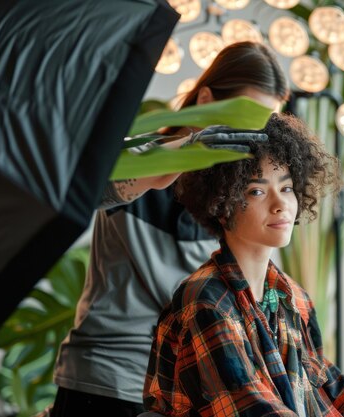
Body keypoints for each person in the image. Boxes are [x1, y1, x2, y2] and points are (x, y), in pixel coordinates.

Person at [51, 42, 289, 417]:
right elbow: (85, 191)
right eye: (242, 119)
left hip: (183, 393)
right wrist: (184, 153)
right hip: (106, 381)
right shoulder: (138, 158)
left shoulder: (245, 197)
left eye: (263, 126)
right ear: (206, 99)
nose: (249, 137)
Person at [143, 112, 344, 417]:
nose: (280, 204)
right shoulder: (206, 302)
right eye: (257, 191)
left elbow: (330, 388)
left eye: (286, 188)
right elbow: (250, 408)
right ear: (222, 204)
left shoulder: (294, 298)